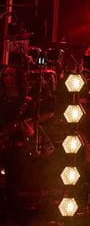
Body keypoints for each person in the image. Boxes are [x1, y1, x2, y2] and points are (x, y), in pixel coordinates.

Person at [0, 65, 34, 222]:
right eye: (5, 75)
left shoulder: (25, 101)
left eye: (11, 74)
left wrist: (27, 128)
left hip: (16, 145)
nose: (8, 78)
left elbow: (32, 124)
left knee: (14, 180)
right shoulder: (1, 99)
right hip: (2, 141)